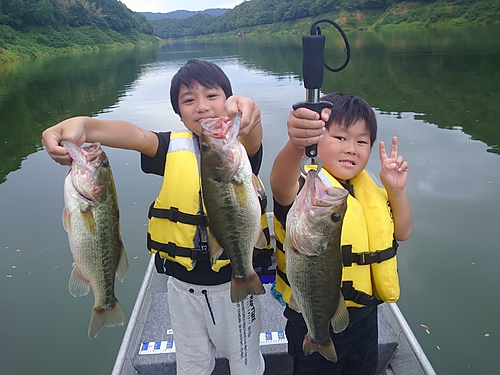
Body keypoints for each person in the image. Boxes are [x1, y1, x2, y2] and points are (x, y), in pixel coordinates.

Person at [42, 59, 270, 375]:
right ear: (178, 113)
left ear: (229, 101)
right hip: (180, 289)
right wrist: (83, 124)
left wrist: (247, 112)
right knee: (191, 365)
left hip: (230, 282)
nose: (202, 107)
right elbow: (131, 134)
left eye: (212, 96)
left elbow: (252, 133)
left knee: (245, 363)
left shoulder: (237, 149)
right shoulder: (168, 148)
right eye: (189, 100)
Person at [270, 92, 412, 375]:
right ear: (317, 140)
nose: (351, 148)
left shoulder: (369, 190)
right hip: (310, 315)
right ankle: (315, 341)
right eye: (340, 138)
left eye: (362, 141)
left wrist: (396, 189)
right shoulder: (306, 193)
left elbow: (403, 232)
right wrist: (298, 144)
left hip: (365, 318)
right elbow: (280, 184)